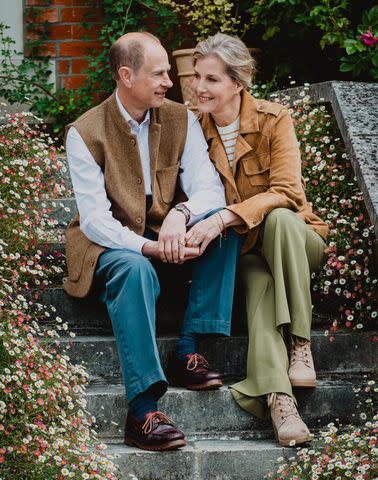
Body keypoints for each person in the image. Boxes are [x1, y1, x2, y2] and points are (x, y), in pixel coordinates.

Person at [64, 32, 242, 451]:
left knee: (223, 227)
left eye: (167, 72)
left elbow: (210, 190)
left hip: (165, 230)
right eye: (159, 73)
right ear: (126, 76)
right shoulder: (84, 132)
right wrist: (147, 247)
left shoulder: (180, 118)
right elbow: (94, 221)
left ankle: (187, 350)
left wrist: (182, 216)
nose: (170, 81)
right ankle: (142, 409)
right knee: (134, 266)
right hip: (108, 246)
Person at [187, 33, 329, 447]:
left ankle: (301, 343)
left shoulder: (274, 118)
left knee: (281, 218)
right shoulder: (194, 130)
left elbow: (289, 191)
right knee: (260, 288)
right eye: (197, 77)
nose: (199, 87)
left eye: (211, 79)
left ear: (238, 82)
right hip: (246, 251)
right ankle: (280, 403)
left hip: (298, 244)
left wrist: (228, 216)